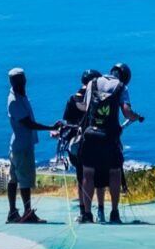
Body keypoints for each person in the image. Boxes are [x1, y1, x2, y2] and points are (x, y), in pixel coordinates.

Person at [78, 63, 144, 224]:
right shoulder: (121, 87)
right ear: (125, 77)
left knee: (88, 173)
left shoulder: (93, 83)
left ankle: (87, 214)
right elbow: (127, 112)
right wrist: (136, 117)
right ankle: (114, 213)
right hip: (109, 135)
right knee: (114, 172)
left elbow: (86, 108)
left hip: (91, 134)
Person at [6, 67, 61, 224]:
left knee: (14, 178)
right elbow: (28, 124)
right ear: (17, 82)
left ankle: (13, 212)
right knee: (24, 180)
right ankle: (27, 213)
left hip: (17, 144)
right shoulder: (15, 101)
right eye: (21, 81)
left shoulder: (19, 95)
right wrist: (51, 127)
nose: (23, 83)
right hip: (23, 146)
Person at [61, 68, 106, 221]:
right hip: (99, 141)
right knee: (99, 178)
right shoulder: (100, 99)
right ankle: (101, 210)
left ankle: (84, 212)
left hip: (78, 145)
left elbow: (67, 122)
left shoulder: (73, 99)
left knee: (82, 178)